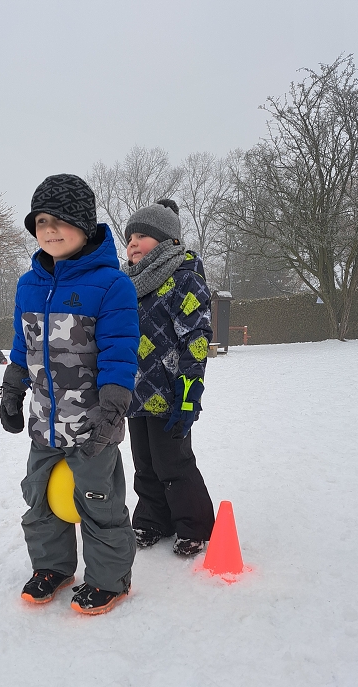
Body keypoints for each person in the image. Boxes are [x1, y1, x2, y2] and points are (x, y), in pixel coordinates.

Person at [0, 173, 139, 615]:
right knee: (39, 500)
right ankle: (53, 568)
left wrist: (113, 412)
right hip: (44, 424)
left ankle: (109, 580)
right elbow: (22, 345)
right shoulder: (29, 285)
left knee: (99, 504)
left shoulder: (113, 286)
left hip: (92, 425)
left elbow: (120, 356)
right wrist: (12, 386)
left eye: (61, 220)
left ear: (85, 225)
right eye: (41, 221)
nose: (50, 230)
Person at [123, 199, 214, 555]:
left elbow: (195, 337)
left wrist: (190, 391)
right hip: (135, 392)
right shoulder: (127, 286)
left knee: (173, 463)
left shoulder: (183, 278)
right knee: (144, 464)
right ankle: (151, 521)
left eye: (142, 235)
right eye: (130, 236)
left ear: (167, 242)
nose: (132, 242)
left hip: (170, 393)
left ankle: (193, 525)